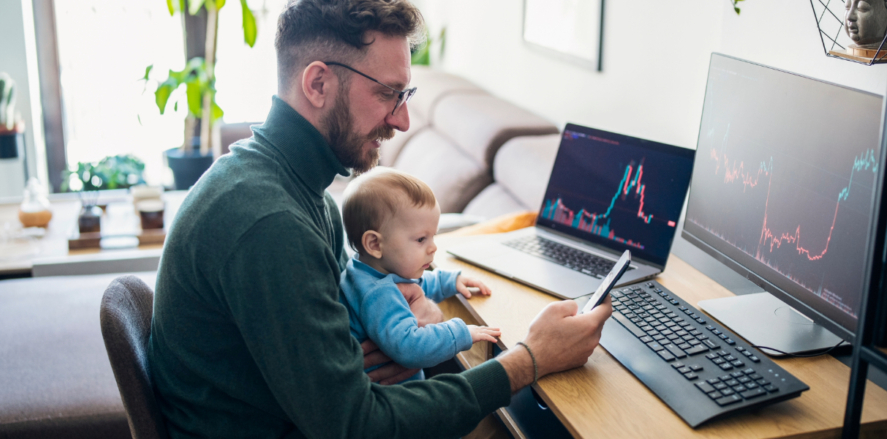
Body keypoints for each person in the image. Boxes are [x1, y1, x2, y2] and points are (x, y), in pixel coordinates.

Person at [148, 0, 613, 437]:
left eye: (404, 93)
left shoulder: (300, 189)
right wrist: (528, 360)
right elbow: (356, 426)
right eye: (388, 94)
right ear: (318, 84)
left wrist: (365, 355)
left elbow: (339, 364)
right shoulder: (269, 223)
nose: (404, 119)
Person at [339, 167, 500, 382]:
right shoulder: (379, 294)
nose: (433, 248)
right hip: (395, 398)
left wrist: (447, 281)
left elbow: (411, 285)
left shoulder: (367, 270)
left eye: (433, 236)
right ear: (375, 243)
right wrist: (461, 333)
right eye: (421, 239)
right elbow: (410, 347)